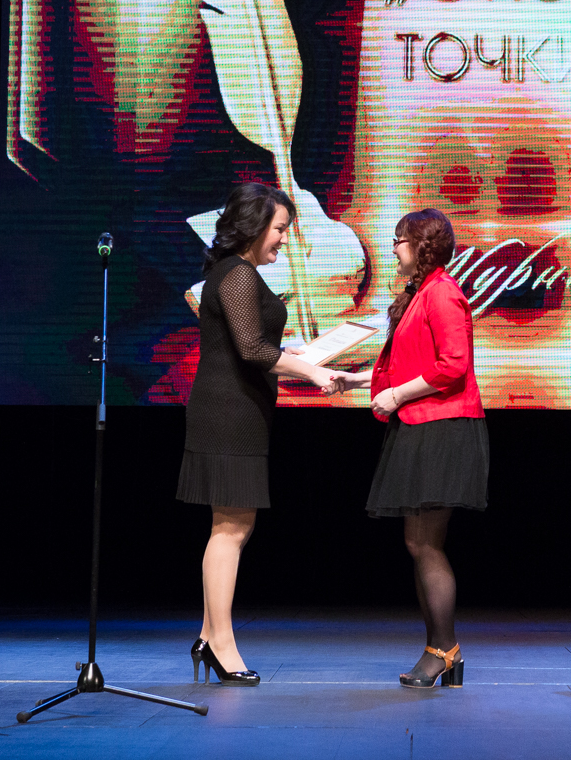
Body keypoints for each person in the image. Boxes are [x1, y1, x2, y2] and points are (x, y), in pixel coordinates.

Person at [177, 182, 341, 685]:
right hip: (227, 413)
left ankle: (209, 635)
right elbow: (250, 349)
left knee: (233, 527)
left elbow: (249, 342)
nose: (284, 239)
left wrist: (301, 356)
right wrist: (311, 371)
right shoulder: (237, 273)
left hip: (239, 411)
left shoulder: (236, 273)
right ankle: (221, 644)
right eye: (280, 228)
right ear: (253, 227)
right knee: (229, 529)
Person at [332, 208, 488, 689]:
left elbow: (453, 365)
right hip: (423, 425)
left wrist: (397, 395)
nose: (394, 248)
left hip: (443, 428)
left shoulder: (443, 293)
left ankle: (444, 649)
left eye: (400, 239)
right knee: (419, 543)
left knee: (426, 543)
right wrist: (356, 380)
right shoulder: (420, 294)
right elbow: (408, 365)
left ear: (423, 246)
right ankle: (442, 650)